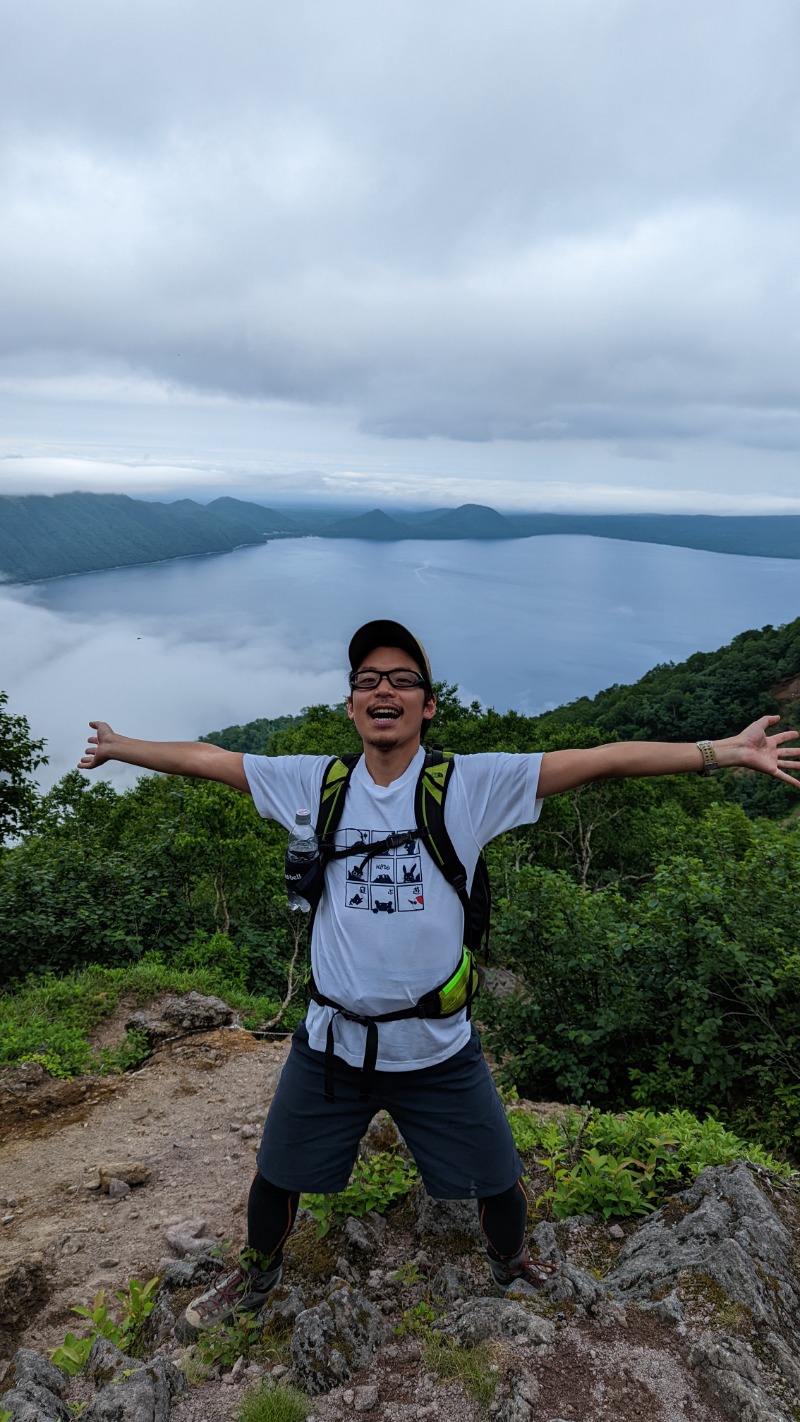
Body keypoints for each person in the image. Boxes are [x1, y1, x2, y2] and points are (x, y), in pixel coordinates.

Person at [79, 618, 800, 1337]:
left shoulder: (470, 785)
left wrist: (722, 753)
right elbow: (212, 759)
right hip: (331, 1048)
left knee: (498, 1176)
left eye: (402, 679)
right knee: (275, 1174)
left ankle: (511, 1263)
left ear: (427, 705)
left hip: (437, 1050)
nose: (383, 689)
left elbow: (601, 759)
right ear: (352, 706)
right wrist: (120, 747)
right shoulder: (311, 783)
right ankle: (259, 1272)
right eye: (367, 680)